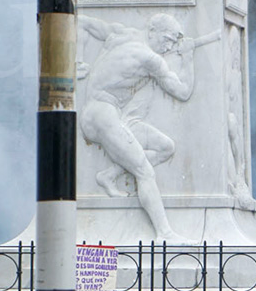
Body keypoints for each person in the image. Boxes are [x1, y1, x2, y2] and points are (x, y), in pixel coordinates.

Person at [77, 12, 221, 239]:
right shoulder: (150, 60)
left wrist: (77, 59)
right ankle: (164, 232)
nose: (168, 46)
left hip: (110, 115)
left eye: (173, 42)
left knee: (166, 147)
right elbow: (183, 92)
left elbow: (81, 21)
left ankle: (108, 175)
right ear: (152, 31)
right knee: (144, 171)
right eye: (166, 39)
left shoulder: (122, 33)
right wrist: (188, 58)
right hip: (101, 117)